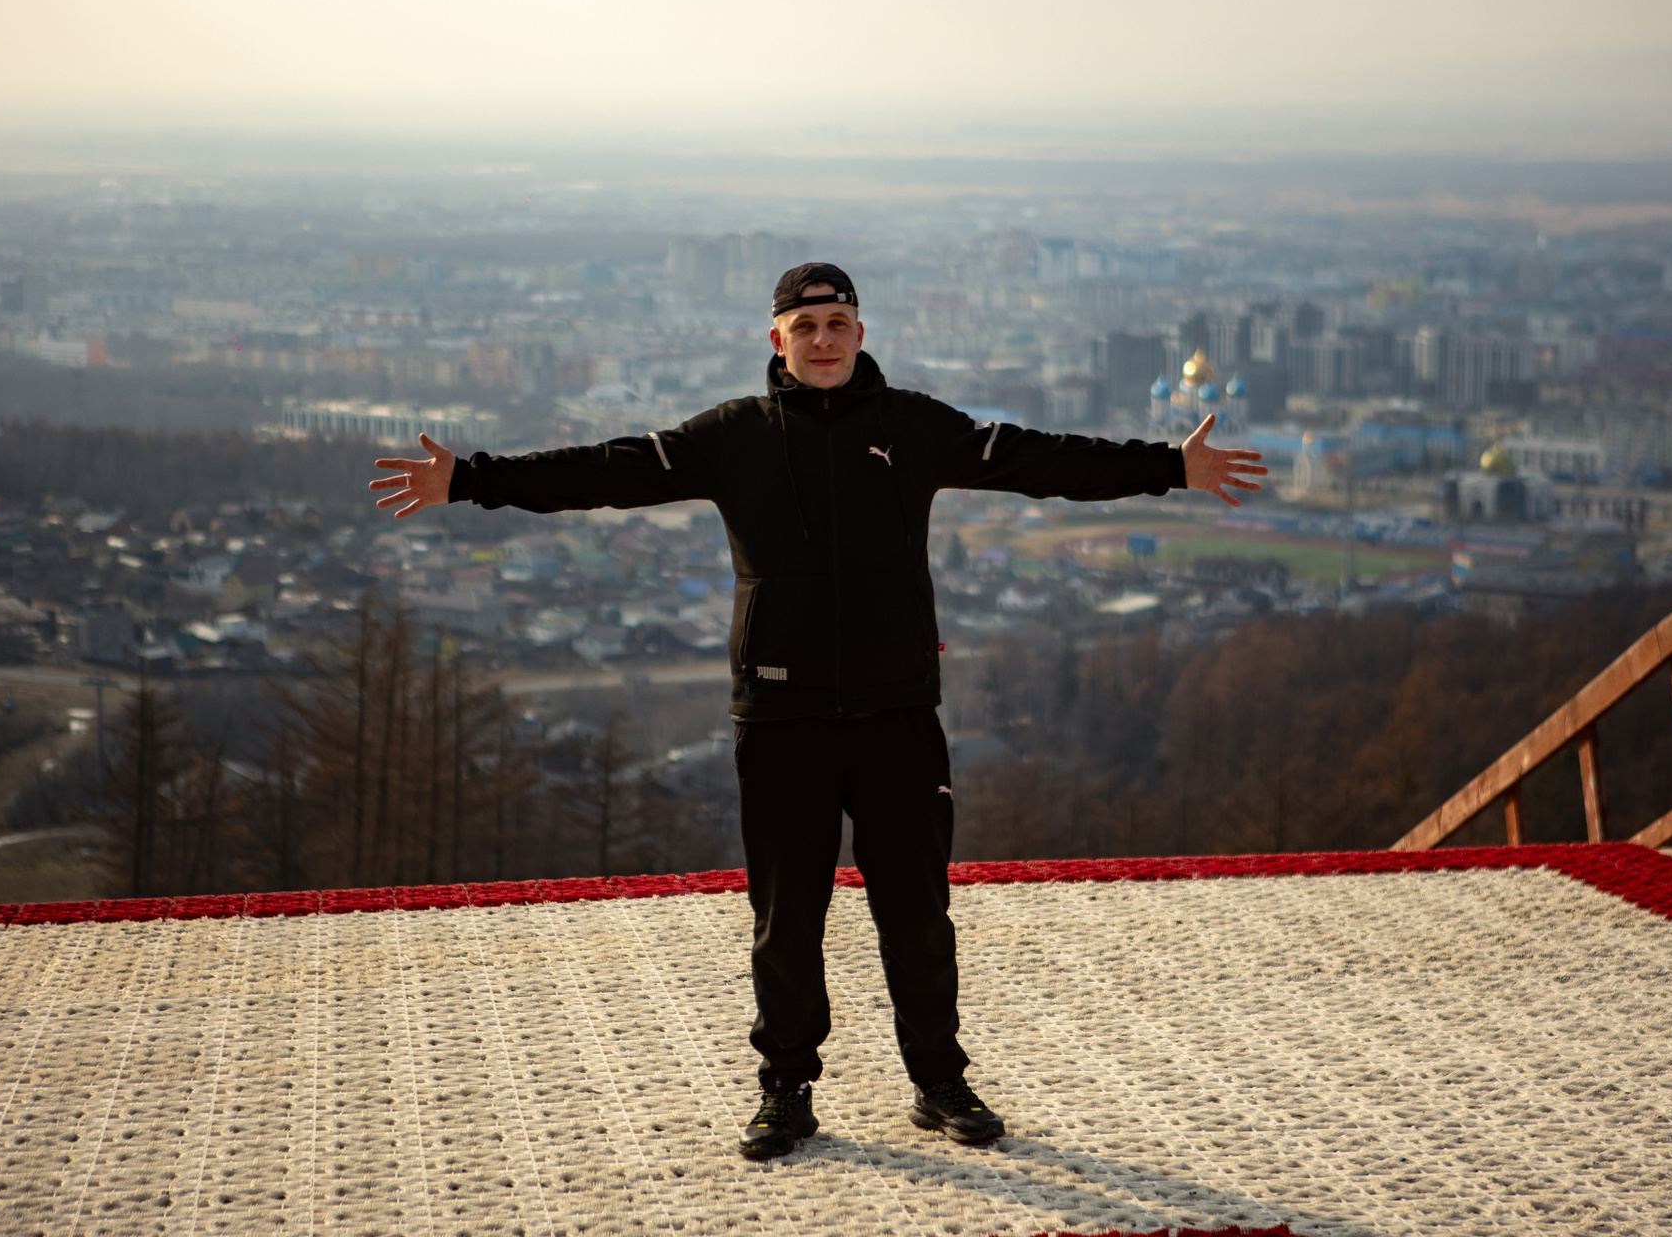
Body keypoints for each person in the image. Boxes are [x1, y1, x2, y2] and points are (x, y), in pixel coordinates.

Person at [369, 262, 1267, 1160]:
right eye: (806, 327)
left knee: (917, 912)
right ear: (778, 341)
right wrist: (470, 479)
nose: (824, 340)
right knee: (786, 917)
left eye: (838, 323)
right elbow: (606, 471)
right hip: (781, 712)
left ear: (861, 334)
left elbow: (1043, 460)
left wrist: (1171, 467)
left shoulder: (913, 426)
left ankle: (939, 1080)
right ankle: (785, 1090)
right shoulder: (733, 436)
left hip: (896, 710)